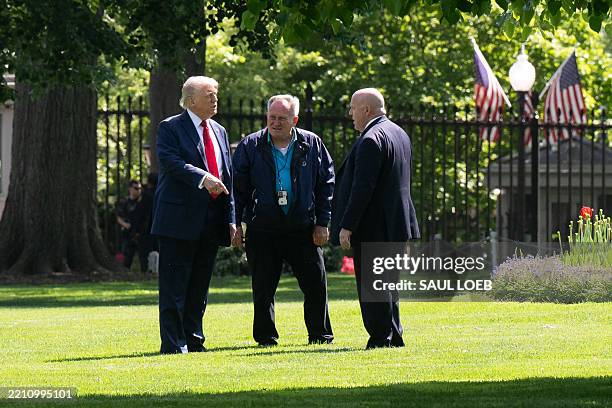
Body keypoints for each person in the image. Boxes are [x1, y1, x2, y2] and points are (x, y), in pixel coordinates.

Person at [232, 94, 334, 346]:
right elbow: (238, 189)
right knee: (263, 288)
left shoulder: (312, 144)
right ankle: (266, 337)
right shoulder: (251, 145)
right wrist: (234, 224)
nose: (275, 123)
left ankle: (320, 335)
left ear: (294, 120)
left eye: (282, 118)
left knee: (315, 285)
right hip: (263, 227)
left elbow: (326, 184)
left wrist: (323, 222)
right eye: (272, 117)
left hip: (303, 227)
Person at [151, 76, 236, 354]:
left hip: (211, 221)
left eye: (216, 94)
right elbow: (170, 162)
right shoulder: (171, 128)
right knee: (175, 286)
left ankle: (194, 339)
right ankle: (174, 344)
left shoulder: (219, 131)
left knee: (199, 287)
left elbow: (228, 177)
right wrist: (203, 178)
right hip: (178, 221)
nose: (215, 99)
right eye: (209, 95)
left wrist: (231, 218)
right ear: (190, 101)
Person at [331, 88, 420, 349]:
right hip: (395, 224)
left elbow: (363, 189)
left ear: (366, 110)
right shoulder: (399, 133)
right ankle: (394, 334)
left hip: (373, 226)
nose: (350, 114)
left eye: (352, 108)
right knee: (388, 284)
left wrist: (347, 225)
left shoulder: (371, 138)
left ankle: (381, 338)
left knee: (374, 287)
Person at [116, 179, 151, 273]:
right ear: (130, 189)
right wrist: (125, 225)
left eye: (140, 188)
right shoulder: (125, 202)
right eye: (136, 188)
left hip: (141, 232)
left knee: (143, 256)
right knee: (127, 256)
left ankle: (144, 273)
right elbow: (119, 216)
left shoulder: (143, 202)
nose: (138, 190)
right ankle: (125, 273)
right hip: (128, 233)